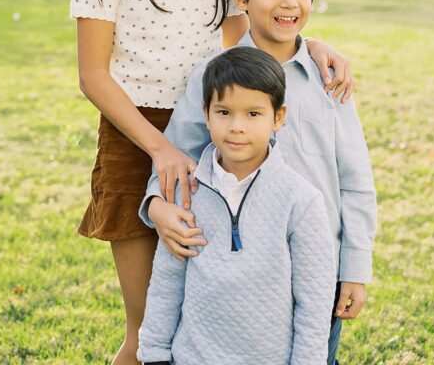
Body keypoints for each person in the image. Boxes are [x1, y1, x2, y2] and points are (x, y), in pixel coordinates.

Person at [70, 0, 352, 365]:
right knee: (151, 328)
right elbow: (93, 74)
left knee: (209, 318)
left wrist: (312, 46)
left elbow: (255, 34)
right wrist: (161, 149)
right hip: (138, 134)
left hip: (219, 131)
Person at [140, 0, 377, 363]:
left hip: (314, 272)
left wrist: (354, 269)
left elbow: (356, 183)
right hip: (232, 285)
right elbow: (177, 159)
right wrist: (157, 206)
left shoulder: (330, 81)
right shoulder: (212, 77)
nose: (289, 4)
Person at [137, 47, 336, 364]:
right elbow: (165, 285)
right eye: (224, 112)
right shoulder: (186, 194)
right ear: (206, 114)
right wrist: (154, 354)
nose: (237, 127)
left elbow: (314, 300)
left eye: (253, 114)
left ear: (278, 117)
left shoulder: (300, 200)